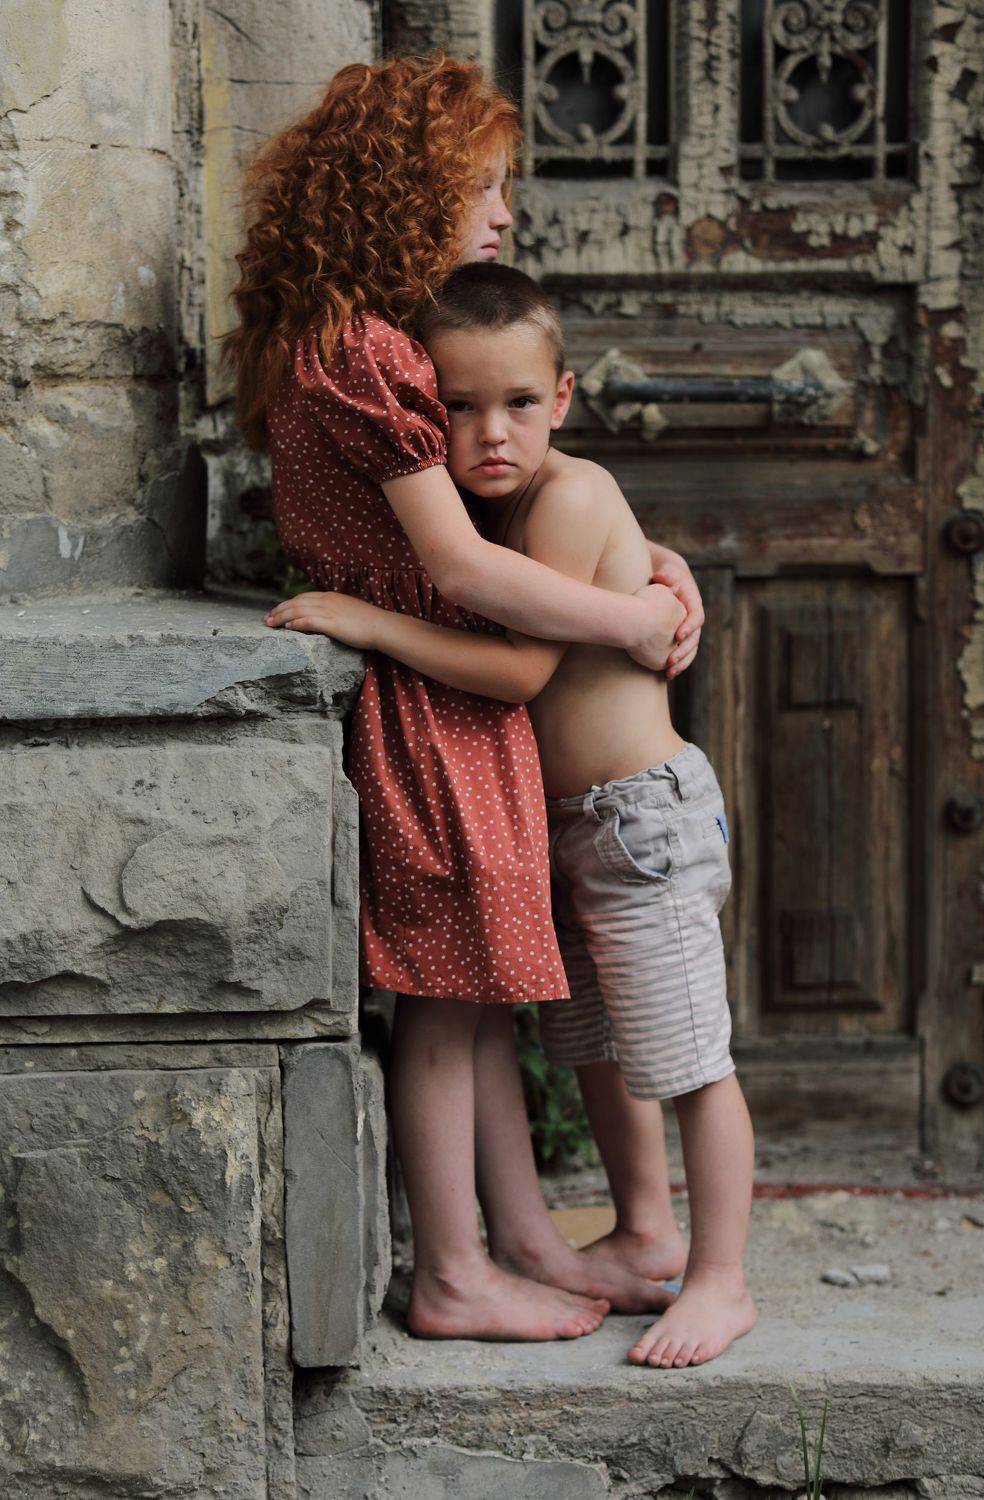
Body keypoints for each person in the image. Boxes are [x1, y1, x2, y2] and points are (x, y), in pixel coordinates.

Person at [224, 54, 705, 1342]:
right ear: (405, 190)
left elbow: (511, 498)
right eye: (481, 186)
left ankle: (523, 1240)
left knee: (479, 997)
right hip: (433, 706)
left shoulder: (361, 337)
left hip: (456, 705)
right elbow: (461, 565)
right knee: (445, 1006)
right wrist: (631, 621)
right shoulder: (362, 352)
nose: (501, 214)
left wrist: (646, 561)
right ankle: (451, 1272)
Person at [284, 262, 757, 1369]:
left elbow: (521, 672)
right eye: (458, 406)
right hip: (574, 824)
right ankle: (645, 1232)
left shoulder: (569, 497)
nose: (490, 432)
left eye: (520, 403)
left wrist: (366, 621)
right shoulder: (492, 506)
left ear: (565, 396)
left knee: (687, 1058)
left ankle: (721, 1279)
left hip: (640, 824)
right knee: (597, 1046)